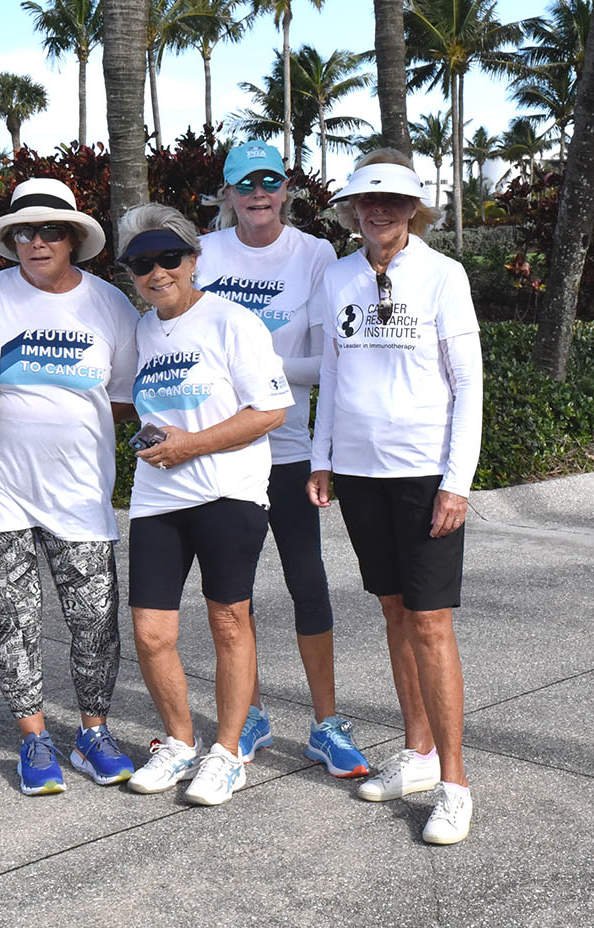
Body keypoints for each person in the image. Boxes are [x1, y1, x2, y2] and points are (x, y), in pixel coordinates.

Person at [307, 150, 483, 845]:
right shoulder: (338, 274)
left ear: (413, 210)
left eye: (393, 200)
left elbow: (468, 384)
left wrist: (456, 481)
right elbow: (330, 368)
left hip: (423, 473)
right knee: (392, 611)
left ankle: (455, 784)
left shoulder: (444, 276)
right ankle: (417, 754)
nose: (378, 210)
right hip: (357, 473)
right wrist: (322, 460)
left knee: (432, 623)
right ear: (353, 210)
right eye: (365, 200)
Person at [196, 138, 368, 778]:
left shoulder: (317, 255)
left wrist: (254, 374)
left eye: (270, 182)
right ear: (228, 195)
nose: (258, 195)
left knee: (307, 580)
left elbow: (329, 360)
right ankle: (253, 716)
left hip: (290, 447)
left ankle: (326, 723)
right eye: (245, 185)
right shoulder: (205, 255)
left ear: (286, 190)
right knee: (231, 593)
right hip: (221, 450)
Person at [0, 178, 141, 796]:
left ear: (72, 238)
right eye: (23, 231)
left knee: (95, 620)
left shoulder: (111, 306)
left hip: (79, 493)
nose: (36, 242)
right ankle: (33, 739)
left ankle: (93, 733)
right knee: (14, 620)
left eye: (50, 230)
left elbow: (123, 399)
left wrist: (64, 423)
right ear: (10, 239)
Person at [118, 203, 293, 806]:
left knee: (227, 620)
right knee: (150, 632)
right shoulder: (140, 330)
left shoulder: (232, 322)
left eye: (170, 258)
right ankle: (178, 742)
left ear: (194, 260)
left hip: (227, 493)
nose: (157, 272)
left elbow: (272, 410)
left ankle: (226, 753)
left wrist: (190, 444)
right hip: (157, 499)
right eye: (142, 263)